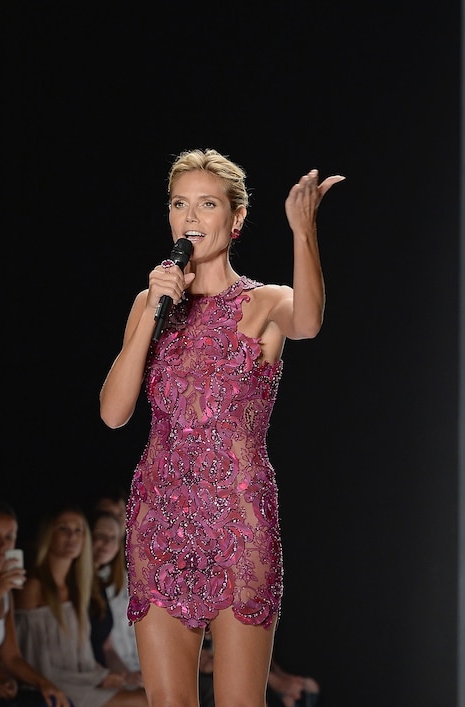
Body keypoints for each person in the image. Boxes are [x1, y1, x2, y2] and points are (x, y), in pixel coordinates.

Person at [98, 148, 342, 707]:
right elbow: (114, 414)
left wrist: (303, 231)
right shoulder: (149, 302)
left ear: (234, 220)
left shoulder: (263, 302)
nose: (190, 217)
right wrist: (153, 311)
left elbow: (307, 320)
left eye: (207, 204)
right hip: (160, 518)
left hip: (237, 518)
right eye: (179, 203)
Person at [14, 507, 148, 707]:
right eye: (63, 529)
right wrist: (98, 678)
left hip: (85, 680)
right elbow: (38, 659)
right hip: (56, 684)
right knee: (145, 701)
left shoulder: (77, 588)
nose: (72, 536)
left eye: (78, 530)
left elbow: (83, 655)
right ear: (48, 533)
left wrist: (105, 676)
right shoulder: (35, 587)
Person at [0, 502, 70, 707]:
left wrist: (42, 683)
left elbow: (11, 656)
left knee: (55, 701)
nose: (3, 545)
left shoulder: (5, 585)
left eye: (9, 537)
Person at [86, 512, 139, 686]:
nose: (107, 543)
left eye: (113, 538)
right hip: (88, 677)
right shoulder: (75, 583)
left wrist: (129, 678)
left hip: (112, 673)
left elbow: (107, 648)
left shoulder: (98, 585)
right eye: (101, 536)